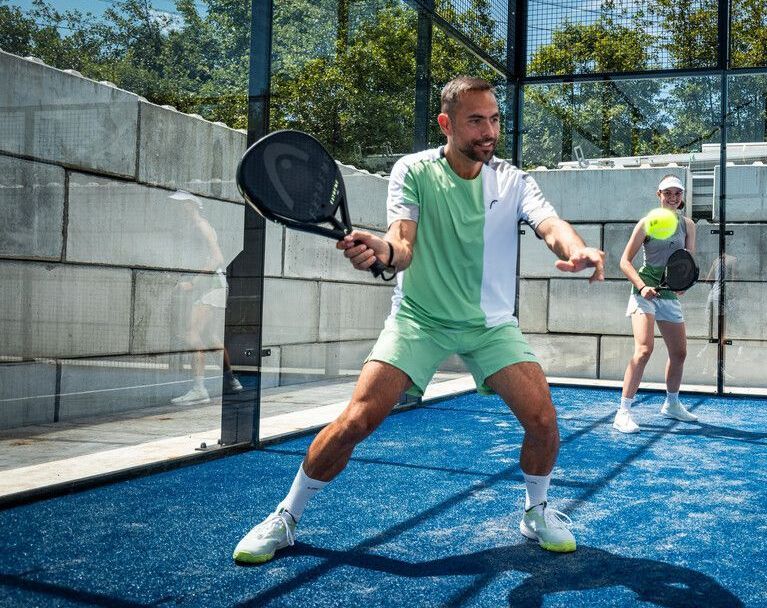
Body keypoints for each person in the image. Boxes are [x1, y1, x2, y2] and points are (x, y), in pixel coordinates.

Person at [232, 76, 605, 563]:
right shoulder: (413, 170)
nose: (489, 131)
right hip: (419, 319)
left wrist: (576, 250)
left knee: (543, 420)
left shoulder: (513, 180)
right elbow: (402, 245)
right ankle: (286, 516)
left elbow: (550, 225)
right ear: (446, 123)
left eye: (494, 119)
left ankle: (536, 512)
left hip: (490, 325)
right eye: (476, 121)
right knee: (357, 420)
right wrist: (383, 251)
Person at [614, 175, 698, 434]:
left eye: (677, 193)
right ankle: (623, 412)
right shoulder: (646, 223)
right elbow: (624, 261)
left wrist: (683, 284)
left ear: (682, 196)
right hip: (644, 292)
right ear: (658, 195)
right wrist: (642, 286)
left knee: (679, 353)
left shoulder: (688, 225)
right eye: (667, 193)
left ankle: (671, 404)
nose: (673, 197)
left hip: (668, 293)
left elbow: (687, 261)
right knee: (644, 350)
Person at [169, 190, 243, 406]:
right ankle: (231, 381)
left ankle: (199, 389)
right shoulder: (194, 227)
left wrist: (193, 282)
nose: (177, 208)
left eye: (181, 204)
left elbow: (217, 258)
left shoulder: (201, 226)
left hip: (211, 286)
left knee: (192, 333)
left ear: (191, 206)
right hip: (214, 287)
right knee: (209, 336)